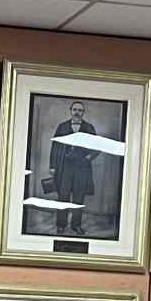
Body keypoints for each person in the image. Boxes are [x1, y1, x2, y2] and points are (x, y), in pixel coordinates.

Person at [47, 99, 96, 235]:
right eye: (75, 110)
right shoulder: (62, 127)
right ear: (70, 111)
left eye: (80, 110)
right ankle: (61, 225)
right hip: (64, 168)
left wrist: (89, 157)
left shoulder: (89, 127)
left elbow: (98, 145)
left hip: (82, 168)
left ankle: (76, 225)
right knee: (63, 197)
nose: (77, 113)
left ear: (83, 112)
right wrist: (52, 166)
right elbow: (55, 147)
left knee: (78, 198)